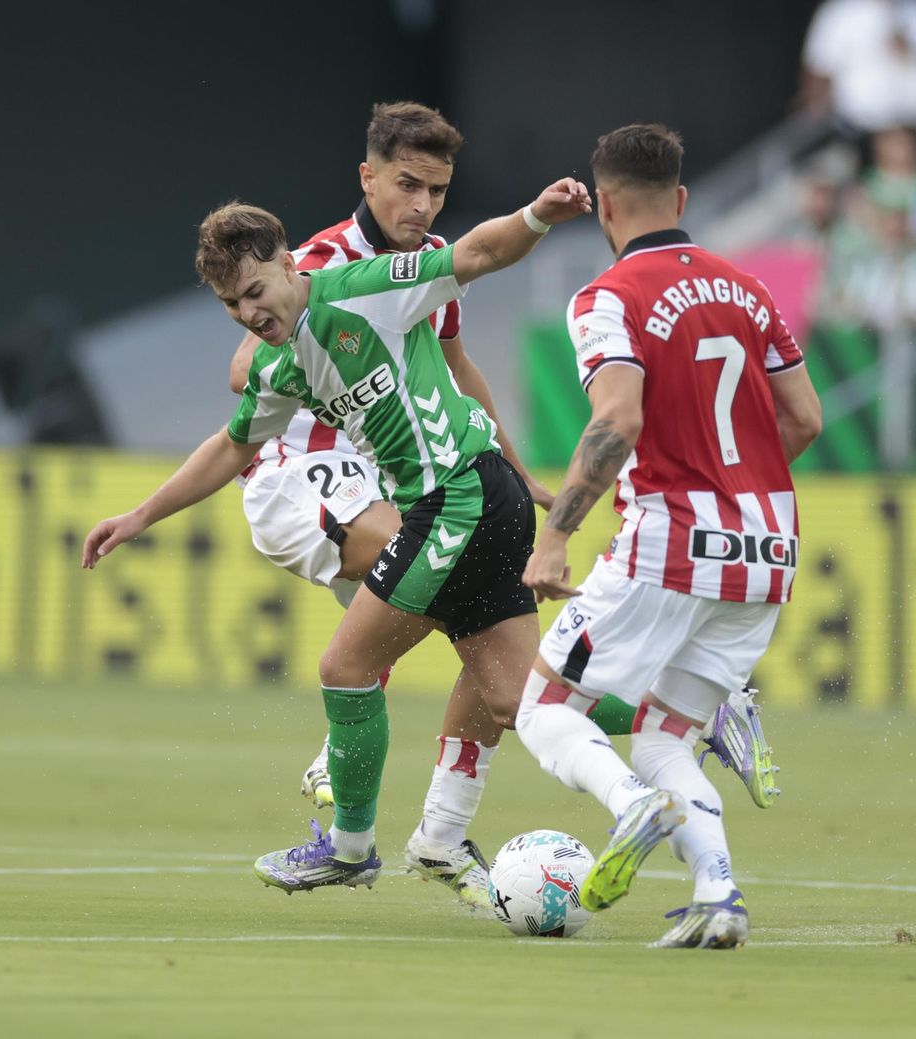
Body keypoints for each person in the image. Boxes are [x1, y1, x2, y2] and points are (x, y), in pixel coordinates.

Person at [82, 177, 593, 893]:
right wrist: (138, 516)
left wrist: (539, 215)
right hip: (476, 502)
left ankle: (351, 845)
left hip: (460, 499)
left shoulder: (363, 286)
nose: (249, 312)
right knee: (517, 702)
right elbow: (230, 448)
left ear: (292, 262)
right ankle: (685, 709)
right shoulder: (280, 362)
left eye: (256, 290)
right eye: (232, 305)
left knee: (345, 667)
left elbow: (474, 253)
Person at [220, 101, 550, 907]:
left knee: (490, 651)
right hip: (306, 474)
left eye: (437, 191)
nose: (423, 206)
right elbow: (242, 371)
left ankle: (440, 832)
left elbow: (458, 367)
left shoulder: (432, 260)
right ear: (368, 178)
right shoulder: (320, 260)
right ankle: (350, 757)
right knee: (457, 589)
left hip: (410, 478)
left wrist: (513, 463)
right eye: (408, 185)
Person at [515, 124, 822, 949]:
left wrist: (555, 536)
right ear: (681, 199)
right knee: (662, 731)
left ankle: (629, 807)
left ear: (603, 204)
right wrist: (735, 487)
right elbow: (805, 418)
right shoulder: (750, 290)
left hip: (673, 538)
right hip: (767, 551)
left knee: (543, 707)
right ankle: (718, 894)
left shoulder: (608, 296)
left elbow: (617, 418)